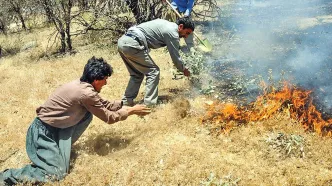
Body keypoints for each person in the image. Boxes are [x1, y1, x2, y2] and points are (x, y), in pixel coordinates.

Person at [0, 56, 151, 185]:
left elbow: (104, 105)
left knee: (87, 114)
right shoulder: (85, 93)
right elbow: (109, 117)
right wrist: (131, 111)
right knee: (56, 174)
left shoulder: (83, 86)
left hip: (55, 129)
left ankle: (57, 151)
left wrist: (125, 103)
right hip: (42, 134)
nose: (106, 83)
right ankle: (6, 176)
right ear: (95, 79)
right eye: (104, 79)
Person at [117, 17, 194, 106]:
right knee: (153, 71)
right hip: (133, 45)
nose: (186, 36)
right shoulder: (172, 33)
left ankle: (126, 101)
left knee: (136, 74)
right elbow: (175, 57)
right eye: (187, 33)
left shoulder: (166, 24)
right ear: (180, 27)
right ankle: (149, 104)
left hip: (123, 42)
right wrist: (184, 69)